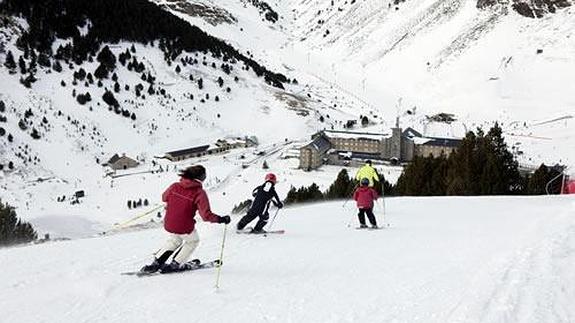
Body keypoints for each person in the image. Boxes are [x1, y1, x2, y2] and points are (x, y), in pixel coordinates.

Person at [140, 165, 230, 273]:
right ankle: (175, 264)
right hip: (184, 225)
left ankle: (156, 263)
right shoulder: (199, 193)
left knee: (175, 240)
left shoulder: (175, 186)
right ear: (201, 177)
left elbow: (164, 197)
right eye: (204, 175)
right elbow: (206, 216)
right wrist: (221, 219)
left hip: (169, 222)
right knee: (193, 240)